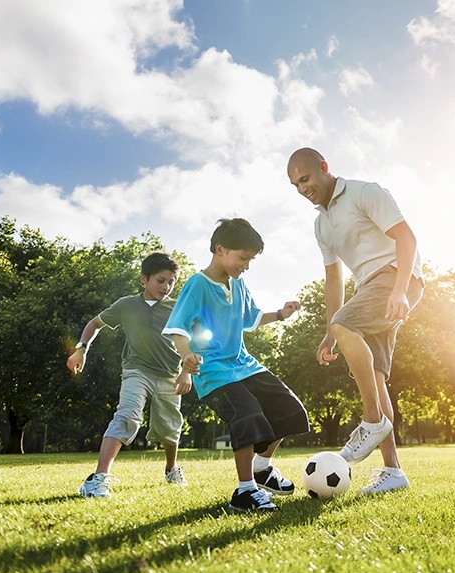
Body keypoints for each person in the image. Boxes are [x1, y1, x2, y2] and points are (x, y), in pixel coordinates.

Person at [286, 147, 425, 494]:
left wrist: (399, 290)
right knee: (376, 377)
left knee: (346, 326)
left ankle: (372, 421)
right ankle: (393, 472)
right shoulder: (322, 225)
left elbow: (406, 238)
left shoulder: (365, 192)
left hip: (395, 277)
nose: (303, 189)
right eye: (295, 185)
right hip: (368, 289)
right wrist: (330, 333)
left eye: (305, 179)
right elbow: (334, 280)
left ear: (323, 168)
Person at [163, 218, 310, 513]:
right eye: (243, 257)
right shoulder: (197, 285)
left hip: (244, 365)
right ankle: (245, 490)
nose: (246, 265)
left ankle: (262, 468)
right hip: (214, 372)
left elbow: (251, 318)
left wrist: (280, 314)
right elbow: (178, 327)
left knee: (289, 408)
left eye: (250, 259)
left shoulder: (238, 283)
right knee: (248, 414)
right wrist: (185, 355)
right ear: (220, 249)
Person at [68, 252, 191, 498]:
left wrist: (186, 372)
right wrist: (81, 350)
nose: (166, 287)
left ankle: (171, 469)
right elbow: (94, 324)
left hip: (169, 375)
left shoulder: (178, 308)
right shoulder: (126, 305)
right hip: (137, 371)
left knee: (169, 427)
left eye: (171, 282)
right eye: (160, 280)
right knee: (127, 416)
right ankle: (98, 479)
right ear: (144, 280)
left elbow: (190, 342)